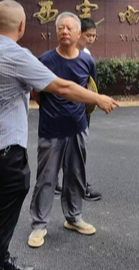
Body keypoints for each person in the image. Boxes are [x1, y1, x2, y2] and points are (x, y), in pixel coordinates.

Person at [0, 1, 118, 269]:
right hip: (7, 148)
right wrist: (99, 98)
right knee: (5, 213)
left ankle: (2, 260)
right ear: (22, 26)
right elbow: (62, 87)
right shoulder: (21, 56)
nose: (64, 31)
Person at [28, 13, 104, 249]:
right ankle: (39, 225)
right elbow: (36, 92)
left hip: (78, 128)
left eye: (70, 28)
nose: (64, 31)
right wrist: (51, 109)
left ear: (79, 33)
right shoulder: (45, 60)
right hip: (51, 129)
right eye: (60, 28)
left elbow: (89, 90)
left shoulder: (87, 61)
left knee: (76, 174)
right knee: (46, 178)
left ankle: (74, 218)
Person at [55, 18, 102, 201]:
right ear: (79, 33)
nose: (91, 39)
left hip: (82, 110)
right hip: (65, 111)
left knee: (79, 149)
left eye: (94, 36)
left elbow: (92, 85)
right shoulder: (60, 56)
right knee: (60, 148)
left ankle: (77, 185)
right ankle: (64, 183)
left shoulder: (87, 56)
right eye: (89, 35)